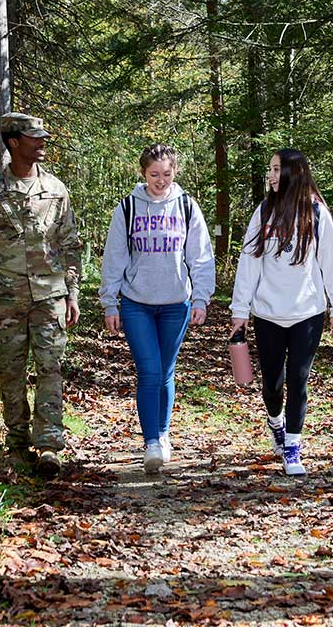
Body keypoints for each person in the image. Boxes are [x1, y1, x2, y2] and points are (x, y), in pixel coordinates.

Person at [0, 112, 82, 477]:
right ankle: (17, 443)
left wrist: (73, 293)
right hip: (6, 298)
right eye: (34, 137)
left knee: (50, 368)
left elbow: (70, 245)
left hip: (50, 295)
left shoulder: (56, 189)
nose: (42, 142)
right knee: (11, 372)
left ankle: (48, 444)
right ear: (14, 142)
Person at [229, 148, 333, 476]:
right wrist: (240, 309)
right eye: (269, 169)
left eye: (275, 169)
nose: (270, 175)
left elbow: (331, 262)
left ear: (292, 173)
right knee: (273, 383)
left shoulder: (317, 214)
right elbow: (249, 263)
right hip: (268, 314)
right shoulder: (264, 211)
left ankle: (293, 447)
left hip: (307, 313)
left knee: (299, 379)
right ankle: (276, 422)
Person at [99, 144, 215, 475]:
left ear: (175, 172)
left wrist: (201, 298)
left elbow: (200, 257)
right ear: (143, 174)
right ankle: (151, 441)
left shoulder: (187, 207)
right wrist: (110, 301)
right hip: (136, 303)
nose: (160, 181)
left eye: (166, 174)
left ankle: (164, 435)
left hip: (176, 304)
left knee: (165, 371)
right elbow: (114, 259)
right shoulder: (128, 208)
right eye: (154, 174)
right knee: (149, 371)